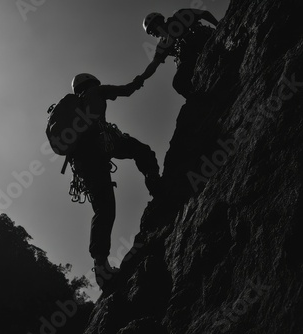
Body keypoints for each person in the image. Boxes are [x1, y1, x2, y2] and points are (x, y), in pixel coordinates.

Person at [68, 73, 161, 289]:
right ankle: (156, 185)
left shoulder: (75, 106)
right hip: (102, 143)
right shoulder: (95, 91)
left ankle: (101, 267)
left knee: (104, 208)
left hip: (84, 161)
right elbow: (127, 89)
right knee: (142, 151)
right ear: (92, 82)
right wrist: (139, 79)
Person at [137, 9, 219, 98]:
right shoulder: (162, 45)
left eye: (152, 29)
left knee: (188, 40)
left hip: (203, 39)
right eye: (150, 33)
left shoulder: (179, 17)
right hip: (191, 58)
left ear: (158, 21)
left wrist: (219, 26)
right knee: (178, 83)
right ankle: (200, 99)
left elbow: (204, 14)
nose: (152, 34)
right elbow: (154, 63)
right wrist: (141, 78)